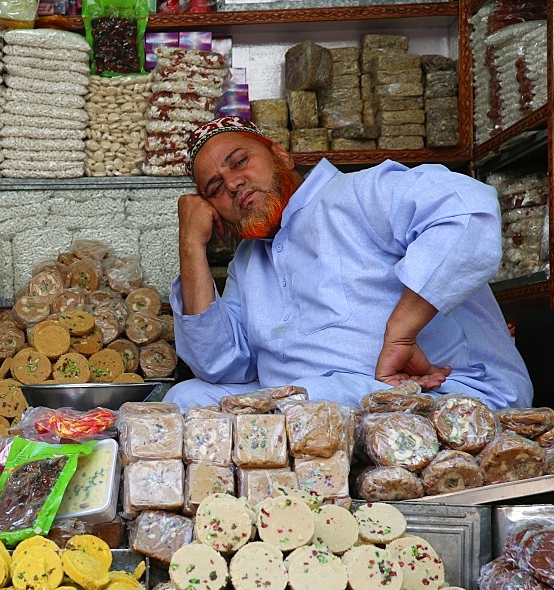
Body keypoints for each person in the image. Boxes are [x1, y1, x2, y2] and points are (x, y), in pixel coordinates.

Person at [163, 116, 532, 412]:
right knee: (184, 401)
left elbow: (469, 211)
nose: (232, 184)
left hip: (446, 393)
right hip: (306, 404)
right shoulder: (248, 262)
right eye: (214, 188)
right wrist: (190, 243)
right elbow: (220, 365)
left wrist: (401, 333)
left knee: (304, 403)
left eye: (241, 161)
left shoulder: (359, 193)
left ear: (281, 155)